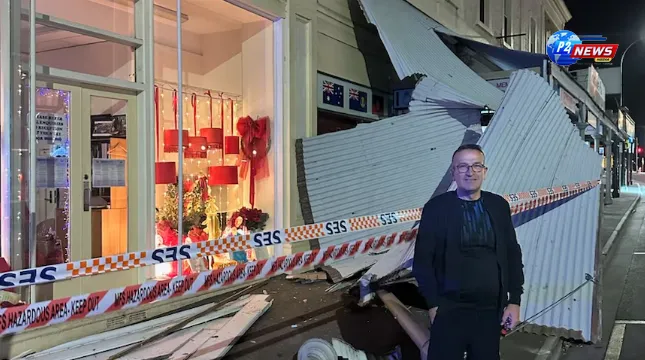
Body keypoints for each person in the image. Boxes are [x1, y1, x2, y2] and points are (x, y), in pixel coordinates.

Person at [413, 144, 524, 360]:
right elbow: (423, 261)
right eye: (462, 166)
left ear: (485, 171)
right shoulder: (436, 208)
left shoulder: (498, 206)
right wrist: (433, 304)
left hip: (491, 310)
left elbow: (512, 253)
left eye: (476, 165)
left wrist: (515, 300)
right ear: (453, 172)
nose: (470, 172)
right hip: (449, 309)